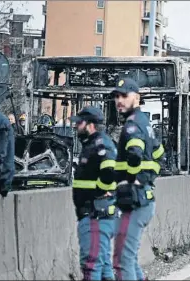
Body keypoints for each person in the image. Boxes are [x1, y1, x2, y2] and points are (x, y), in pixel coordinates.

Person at [111, 78, 165, 281]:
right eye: (117, 96)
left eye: (124, 96)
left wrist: (131, 180)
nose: (119, 100)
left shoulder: (133, 125)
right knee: (128, 259)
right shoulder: (144, 123)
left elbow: (134, 154)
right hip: (141, 198)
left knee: (123, 261)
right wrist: (150, 177)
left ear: (137, 97)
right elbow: (160, 153)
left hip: (134, 200)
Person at [71, 106, 117, 281]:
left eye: (79, 123)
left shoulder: (100, 145)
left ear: (90, 125)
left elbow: (110, 170)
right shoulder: (92, 144)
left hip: (95, 213)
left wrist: (99, 190)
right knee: (103, 264)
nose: (76, 127)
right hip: (94, 212)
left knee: (91, 264)